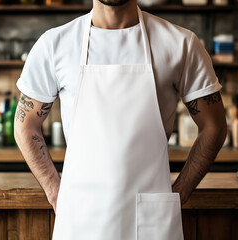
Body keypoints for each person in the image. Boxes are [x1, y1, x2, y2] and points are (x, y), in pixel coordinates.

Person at [14, 0, 227, 238]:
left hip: (150, 225)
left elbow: (214, 126)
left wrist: (181, 191)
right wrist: (54, 190)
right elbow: (26, 125)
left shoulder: (181, 44)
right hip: (80, 217)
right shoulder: (55, 45)